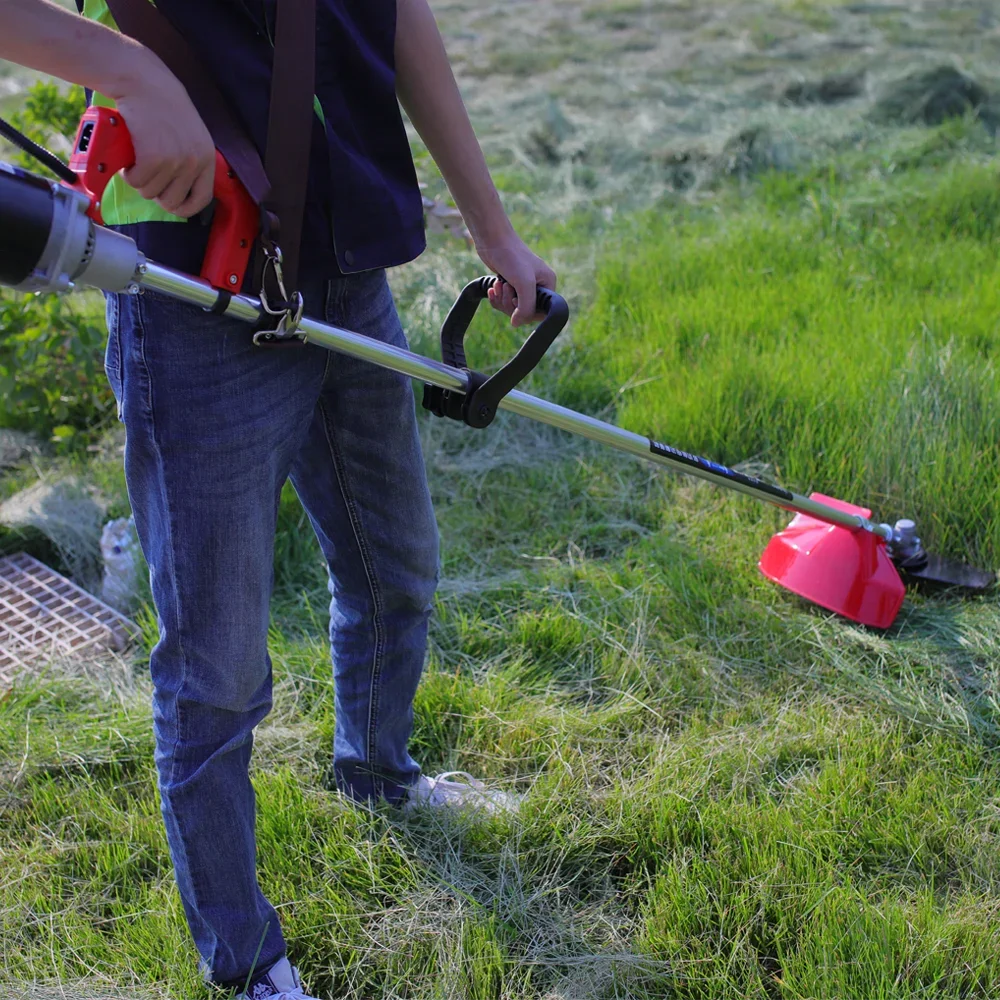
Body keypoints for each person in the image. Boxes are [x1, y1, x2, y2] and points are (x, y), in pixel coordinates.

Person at [0, 1, 557, 995]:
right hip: (188, 296)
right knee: (215, 671)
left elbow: (394, 17)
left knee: (396, 573)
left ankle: (377, 774)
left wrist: (492, 227)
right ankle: (245, 957)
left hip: (346, 275)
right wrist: (129, 67)